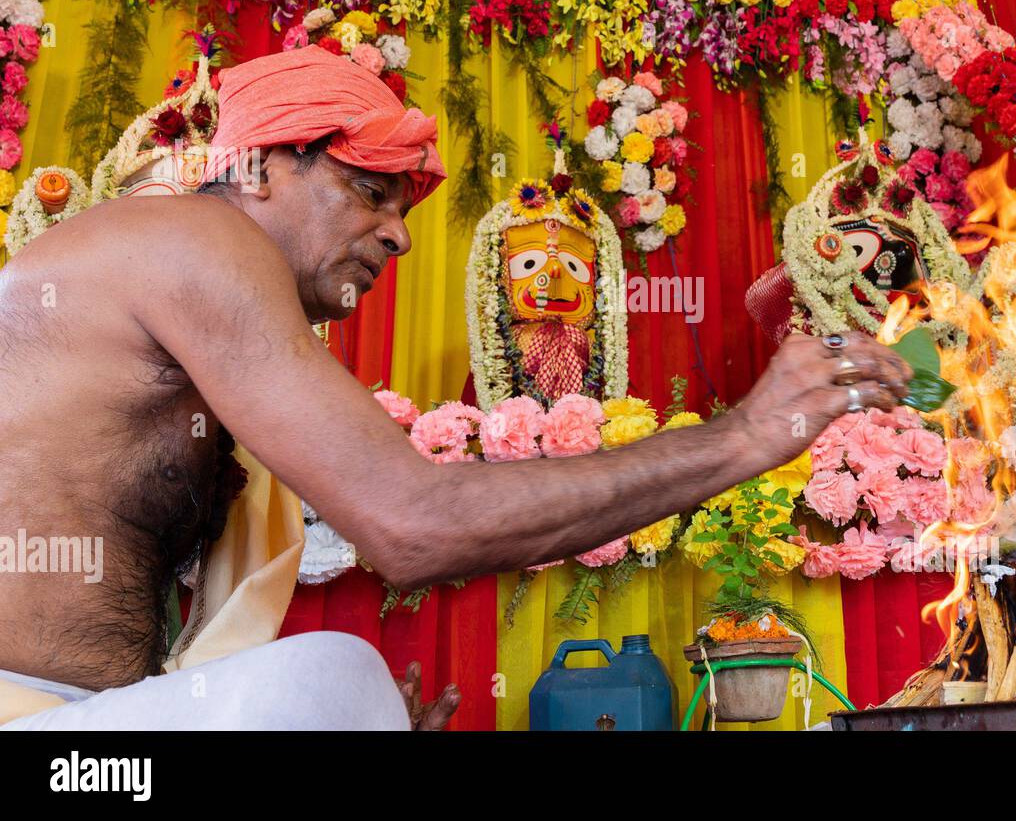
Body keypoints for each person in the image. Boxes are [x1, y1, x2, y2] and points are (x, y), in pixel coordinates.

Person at [0, 47, 909, 730]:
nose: (398, 237)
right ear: (265, 166)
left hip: (77, 722)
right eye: (368, 191)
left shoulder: (186, 270)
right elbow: (414, 523)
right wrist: (744, 438)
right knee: (332, 679)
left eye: (403, 208)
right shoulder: (199, 239)